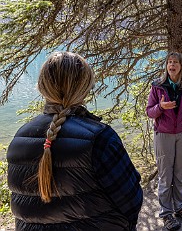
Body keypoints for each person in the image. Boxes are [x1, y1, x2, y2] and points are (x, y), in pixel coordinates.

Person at [7, 51, 143, 230]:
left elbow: (20, 209)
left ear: (42, 86)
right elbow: (131, 201)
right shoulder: (100, 138)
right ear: (85, 87)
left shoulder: (19, 139)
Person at [146, 51, 182, 231]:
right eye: (169, 62)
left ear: (181, 66)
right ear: (166, 66)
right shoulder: (158, 86)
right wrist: (161, 107)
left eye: (175, 62)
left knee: (179, 173)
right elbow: (149, 112)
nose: (172, 65)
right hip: (164, 135)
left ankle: (179, 207)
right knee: (165, 175)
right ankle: (166, 213)